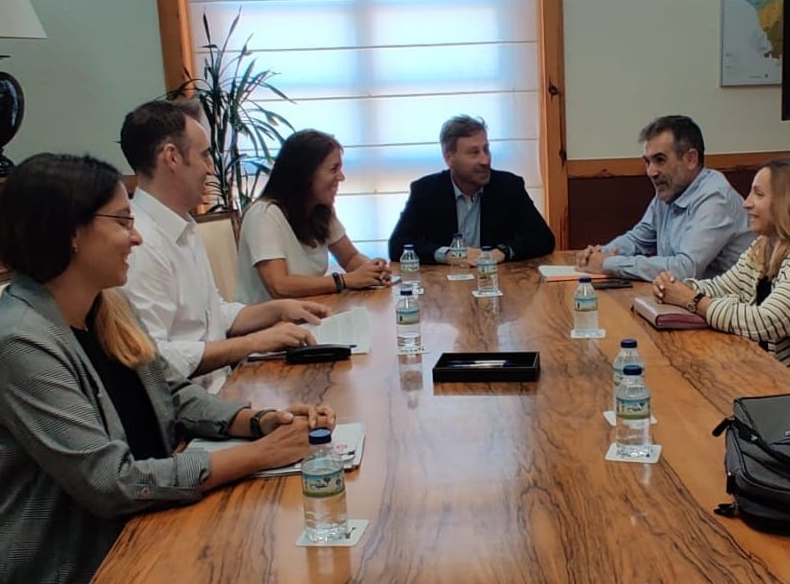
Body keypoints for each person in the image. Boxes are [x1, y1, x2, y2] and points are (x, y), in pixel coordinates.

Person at [0, 153, 335, 584]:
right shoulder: (18, 341)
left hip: (142, 526)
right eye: (121, 221)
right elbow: (111, 484)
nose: (136, 238)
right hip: (61, 573)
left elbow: (171, 393)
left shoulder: (105, 303)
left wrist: (258, 421)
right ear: (70, 232)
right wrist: (258, 456)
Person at [120, 99, 328, 393]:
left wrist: (278, 310)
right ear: (172, 158)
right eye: (204, 155)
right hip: (190, 412)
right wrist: (252, 343)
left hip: (224, 388)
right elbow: (155, 359)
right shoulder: (138, 242)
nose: (210, 169)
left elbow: (212, 314)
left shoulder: (184, 224)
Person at [652, 157, 790, 374]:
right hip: (783, 379)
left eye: (759, 194)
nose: (747, 203)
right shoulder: (765, 245)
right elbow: (724, 287)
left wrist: (692, 300)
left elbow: (764, 322)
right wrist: (676, 288)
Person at [575, 115, 753, 282]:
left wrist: (607, 264)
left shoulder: (715, 198)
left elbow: (685, 270)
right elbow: (638, 240)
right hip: (686, 301)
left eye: (660, 160)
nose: (651, 172)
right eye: (647, 162)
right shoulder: (669, 190)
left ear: (691, 159)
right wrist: (599, 254)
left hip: (726, 307)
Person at [237, 129, 392, 303]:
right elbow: (278, 286)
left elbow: (350, 258)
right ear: (306, 174)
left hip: (310, 313)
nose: (341, 177)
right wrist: (344, 280)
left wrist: (373, 271)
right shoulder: (263, 215)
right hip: (270, 325)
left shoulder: (320, 209)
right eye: (334, 169)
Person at [387, 114, 555, 265]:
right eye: (474, 153)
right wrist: (447, 255)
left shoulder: (509, 186)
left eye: (486, 149)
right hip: (444, 288)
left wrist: (501, 252)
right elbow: (397, 246)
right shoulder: (426, 190)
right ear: (449, 158)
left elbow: (543, 239)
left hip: (497, 283)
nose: (485, 160)